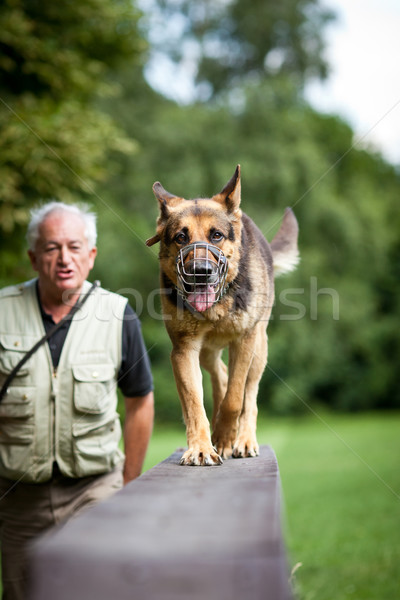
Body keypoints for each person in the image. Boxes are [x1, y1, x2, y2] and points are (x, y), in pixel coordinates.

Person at [0, 201, 154, 600]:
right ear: (34, 258)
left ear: (91, 255)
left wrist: (129, 483)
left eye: (74, 246)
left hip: (94, 491)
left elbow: (139, 401)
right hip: (18, 501)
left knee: (96, 590)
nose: (64, 258)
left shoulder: (118, 314)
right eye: (51, 248)